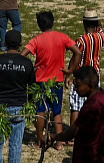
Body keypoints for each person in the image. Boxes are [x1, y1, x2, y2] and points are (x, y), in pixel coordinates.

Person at [21, 11, 82, 147]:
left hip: (40, 80)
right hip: (57, 80)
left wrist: (31, 69)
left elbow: (22, 55)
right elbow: (78, 52)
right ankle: (59, 142)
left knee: (40, 111)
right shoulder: (62, 37)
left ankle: (40, 140)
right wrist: (70, 70)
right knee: (57, 111)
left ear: (39, 25)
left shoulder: (36, 40)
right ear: (52, 22)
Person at [0, 30, 36, 163]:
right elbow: (32, 87)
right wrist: (31, 104)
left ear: (4, 43)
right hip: (19, 106)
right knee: (16, 143)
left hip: (0, 107)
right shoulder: (26, 63)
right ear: (20, 44)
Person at [70, 10, 104, 128]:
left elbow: (76, 55)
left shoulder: (82, 40)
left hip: (82, 75)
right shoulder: (101, 37)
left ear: (84, 23)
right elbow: (101, 28)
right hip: (95, 75)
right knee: (94, 102)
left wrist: (70, 72)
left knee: (76, 106)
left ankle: (74, 134)